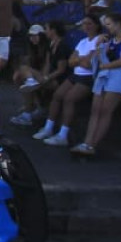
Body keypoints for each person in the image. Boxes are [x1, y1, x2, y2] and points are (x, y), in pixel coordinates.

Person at [72, 10, 121, 156]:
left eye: (109, 24)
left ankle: (92, 145)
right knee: (95, 110)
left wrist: (105, 66)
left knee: (105, 110)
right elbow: (99, 59)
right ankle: (87, 142)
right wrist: (99, 46)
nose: (107, 28)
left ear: (118, 24)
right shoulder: (108, 41)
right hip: (106, 74)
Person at [33, 15, 101, 145]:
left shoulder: (99, 40)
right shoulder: (82, 41)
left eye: (89, 24)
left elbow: (89, 64)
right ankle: (48, 128)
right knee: (57, 95)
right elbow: (71, 62)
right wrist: (82, 59)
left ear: (97, 25)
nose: (86, 26)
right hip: (75, 75)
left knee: (69, 98)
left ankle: (63, 135)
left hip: (88, 77)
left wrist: (79, 60)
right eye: (84, 24)